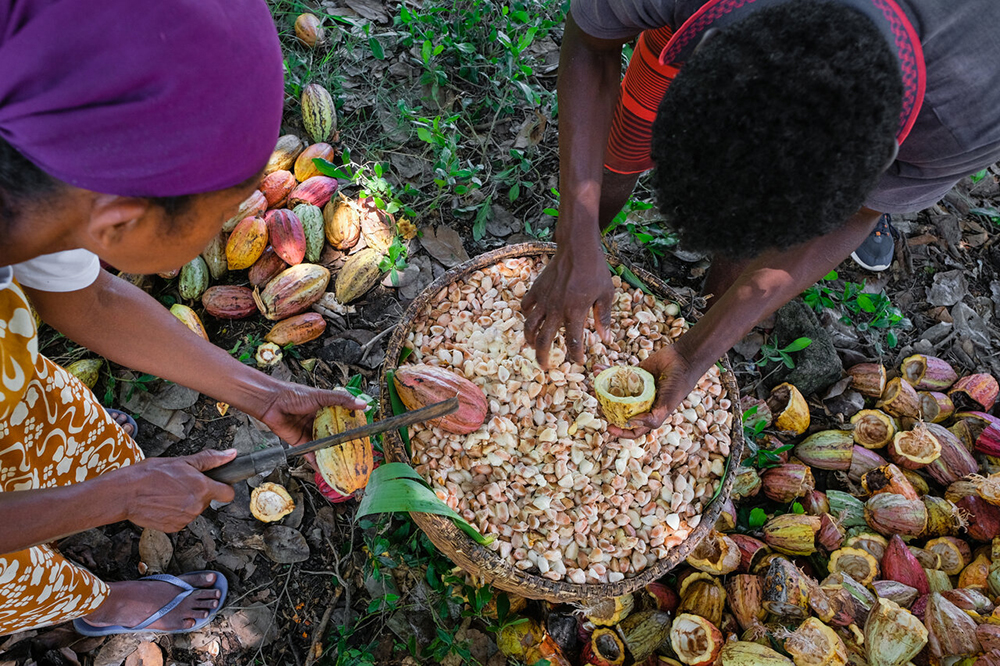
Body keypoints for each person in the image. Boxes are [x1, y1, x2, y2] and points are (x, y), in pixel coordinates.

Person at [0, 0, 365, 636]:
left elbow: (93, 300)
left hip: (14, 396)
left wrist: (265, 393)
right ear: (121, 220)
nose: (224, 234)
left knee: (54, 432)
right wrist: (118, 497)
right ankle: (90, 603)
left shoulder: (41, 186)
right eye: (220, 214)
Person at [522, 0, 1000, 437]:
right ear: (705, 46)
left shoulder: (965, 123)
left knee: (766, 212)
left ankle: (708, 303)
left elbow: (860, 210)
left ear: (883, 160)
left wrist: (694, 353)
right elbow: (591, 44)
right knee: (626, 134)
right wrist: (576, 234)